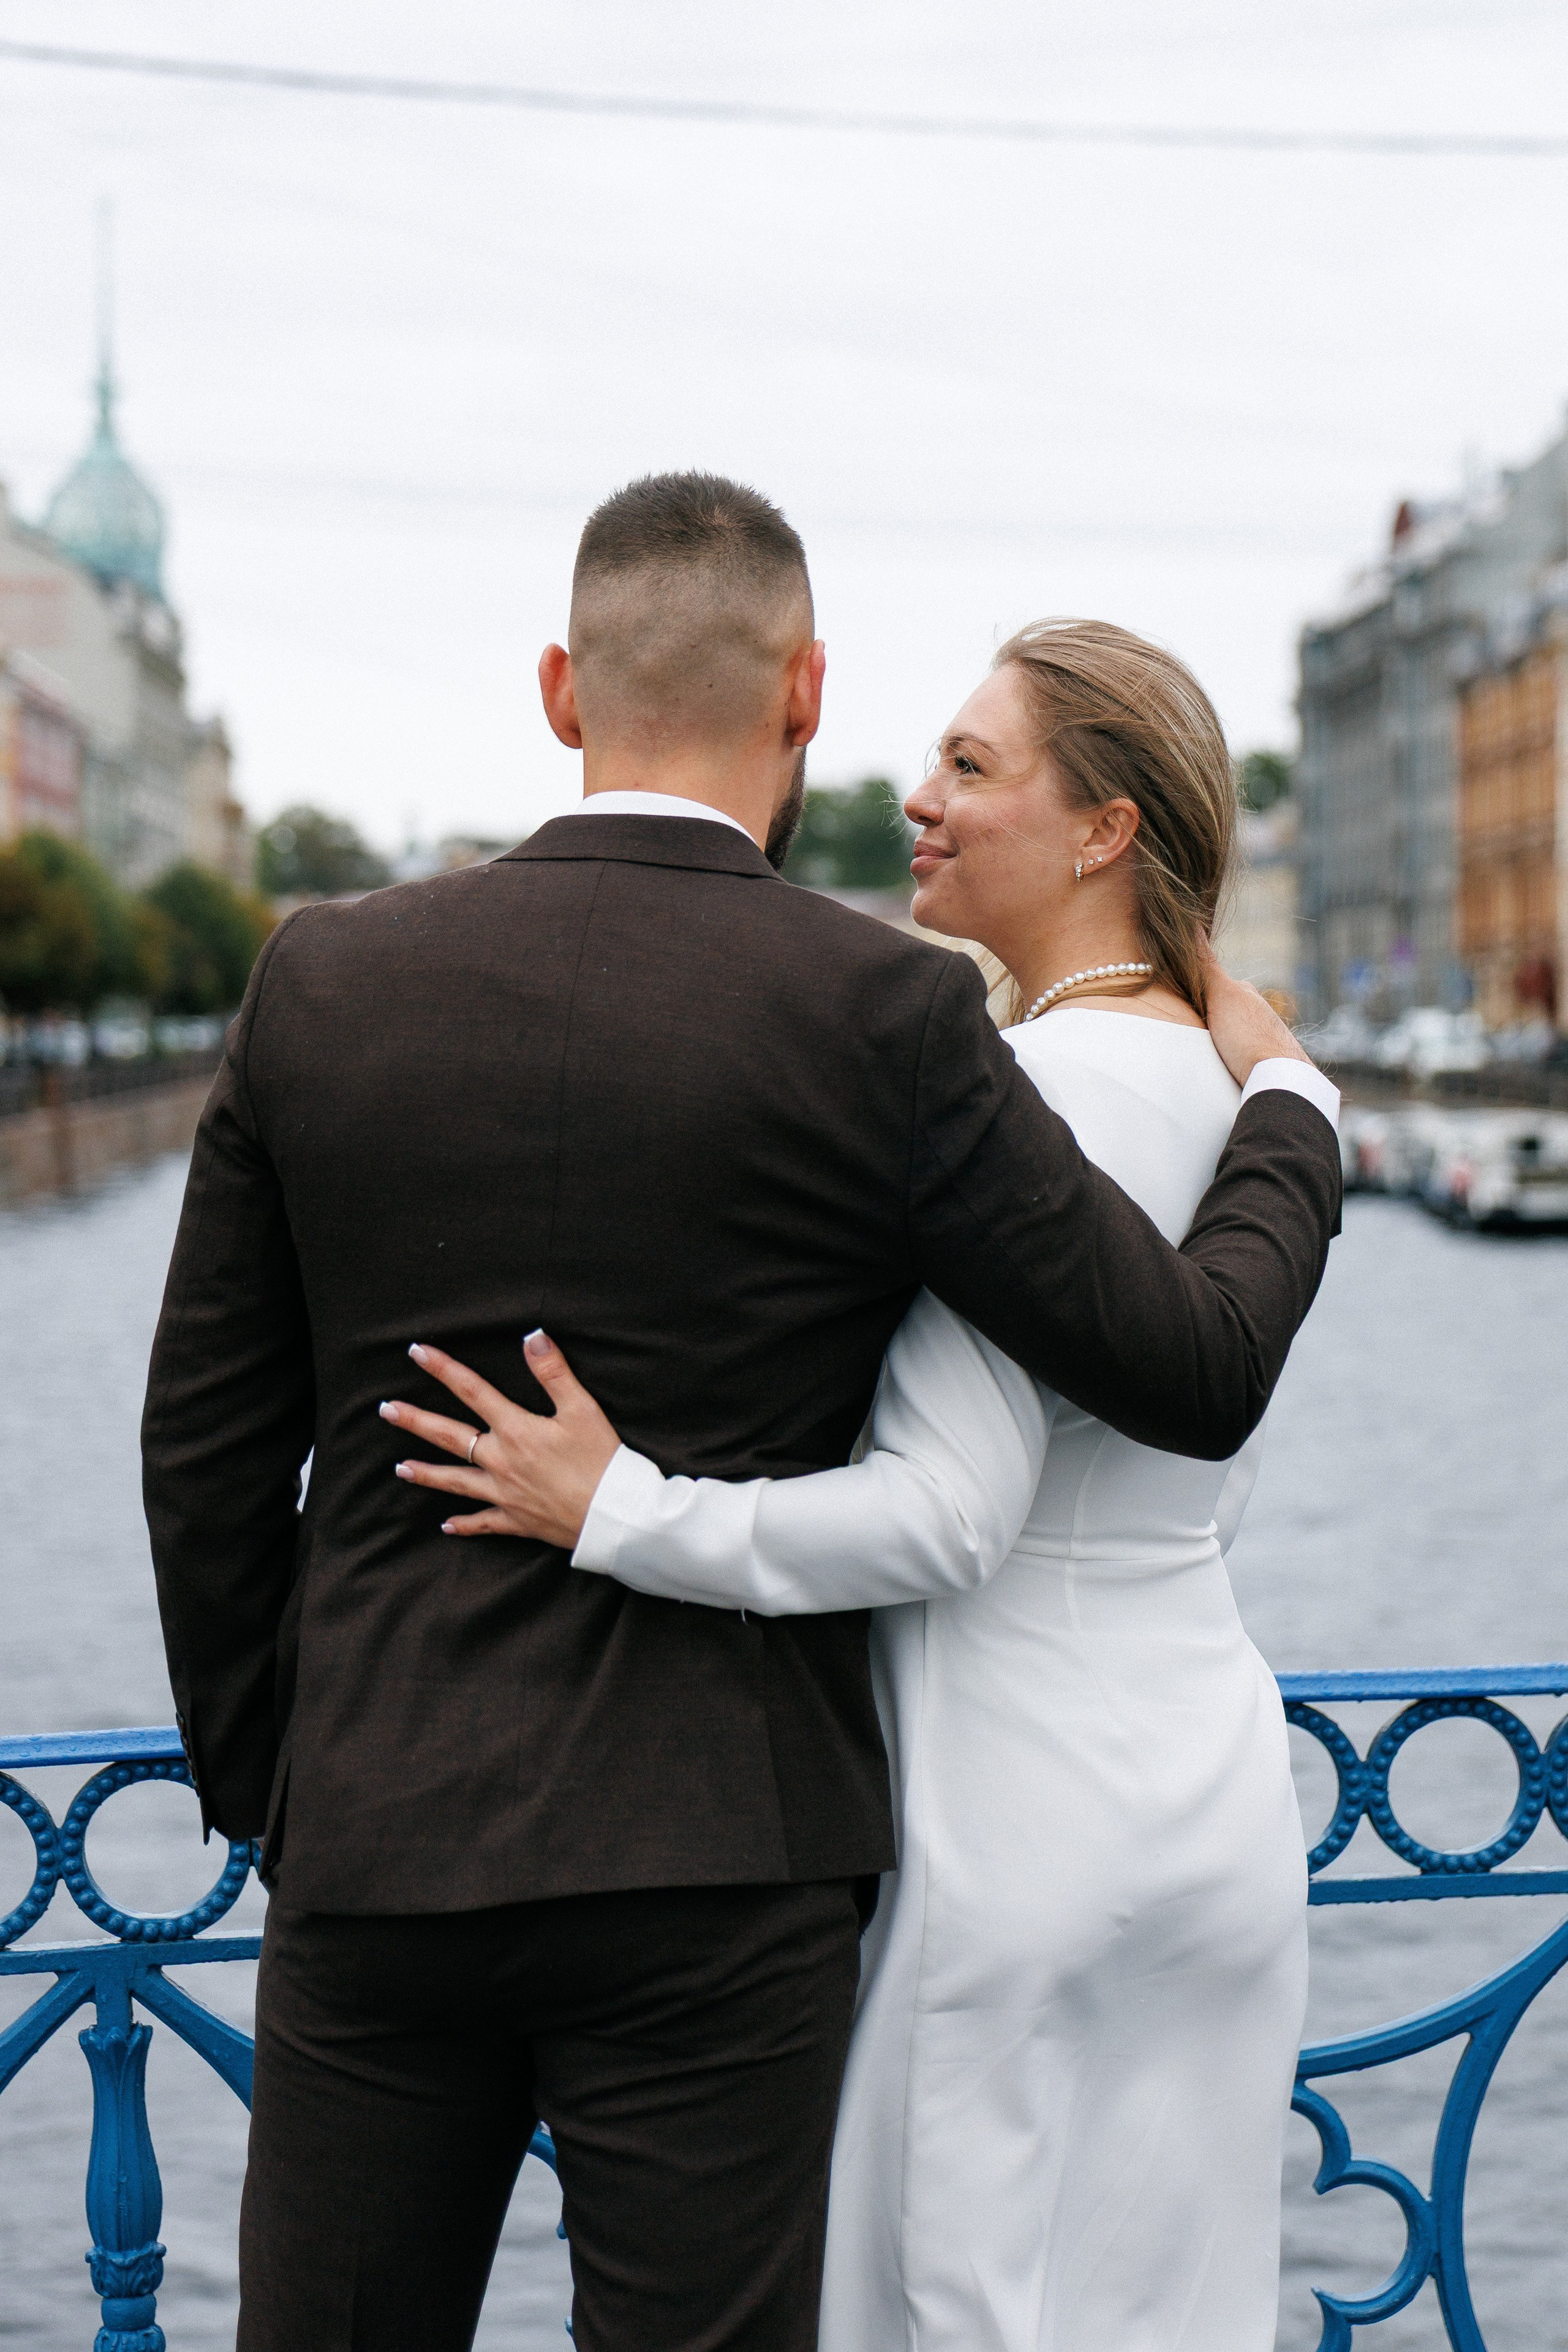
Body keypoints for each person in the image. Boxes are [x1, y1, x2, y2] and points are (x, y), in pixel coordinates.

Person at [142, 478, 1340, 2352]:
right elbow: (1184, 1367)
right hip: (731, 1859)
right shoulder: (881, 1011)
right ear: (807, 695)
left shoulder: (323, 977)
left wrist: (278, 1782)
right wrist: (1289, 1116)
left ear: (559, 687)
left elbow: (205, 1450)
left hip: (382, 1835)